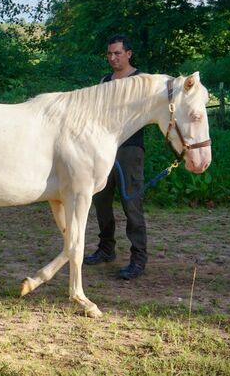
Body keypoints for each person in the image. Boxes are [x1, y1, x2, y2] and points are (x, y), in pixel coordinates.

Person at [84, 35, 147, 280]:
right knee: (101, 201)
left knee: (132, 204)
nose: (112, 58)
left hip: (129, 150)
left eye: (117, 53)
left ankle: (138, 259)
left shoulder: (141, 81)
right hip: (102, 149)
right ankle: (106, 249)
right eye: (109, 54)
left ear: (128, 53)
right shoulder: (105, 81)